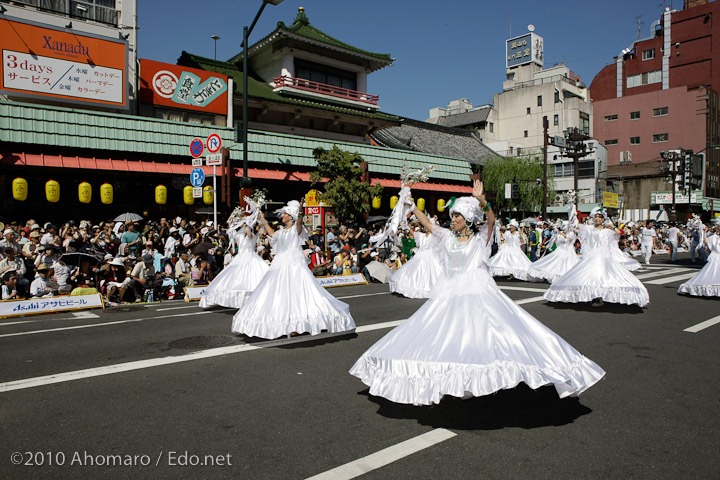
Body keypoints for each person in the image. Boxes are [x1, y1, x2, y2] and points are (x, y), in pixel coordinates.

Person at [350, 180, 605, 405]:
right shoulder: (448, 238)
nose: (454, 220)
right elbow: (428, 224)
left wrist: (484, 202)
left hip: (477, 294)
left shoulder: (479, 239)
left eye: (458, 216)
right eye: (453, 216)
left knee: (477, 340)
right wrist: (410, 203)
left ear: (469, 219)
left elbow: (491, 221)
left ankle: (480, 380)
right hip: (449, 295)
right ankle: (455, 381)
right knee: (445, 339)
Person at [231, 200, 355, 339]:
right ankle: (286, 323)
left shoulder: (296, 230)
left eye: (285, 214)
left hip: (294, 264)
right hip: (280, 264)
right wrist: (263, 220)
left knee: (297, 294)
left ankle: (298, 324)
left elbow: (300, 224)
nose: (282, 215)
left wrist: (301, 211)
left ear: (290, 216)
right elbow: (272, 234)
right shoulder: (282, 232)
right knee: (279, 294)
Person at [544, 207, 649, 307]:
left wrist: (612, 226)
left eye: (599, 217)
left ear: (603, 219)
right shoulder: (588, 229)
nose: (597, 219)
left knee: (601, 277)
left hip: (603, 257)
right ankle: (593, 296)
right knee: (590, 278)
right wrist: (572, 210)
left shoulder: (607, 231)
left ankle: (599, 297)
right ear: (593, 218)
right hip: (591, 257)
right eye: (596, 217)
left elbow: (618, 233)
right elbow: (575, 225)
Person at [200, 204, 269, 309]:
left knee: (251, 278)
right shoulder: (239, 236)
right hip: (240, 257)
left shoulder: (252, 236)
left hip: (250, 257)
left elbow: (249, 232)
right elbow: (231, 232)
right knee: (234, 278)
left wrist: (245, 221)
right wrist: (232, 220)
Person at [389, 227, 443, 298]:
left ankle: (429, 287)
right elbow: (413, 233)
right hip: (420, 255)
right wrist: (407, 226)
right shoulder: (421, 235)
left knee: (430, 272)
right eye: (425, 227)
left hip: (430, 256)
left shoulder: (434, 236)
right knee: (415, 272)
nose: (426, 228)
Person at [678, 228, 719, 296]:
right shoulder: (714, 237)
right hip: (716, 257)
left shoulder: (714, 238)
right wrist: (703, 232)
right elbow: (706, 241)